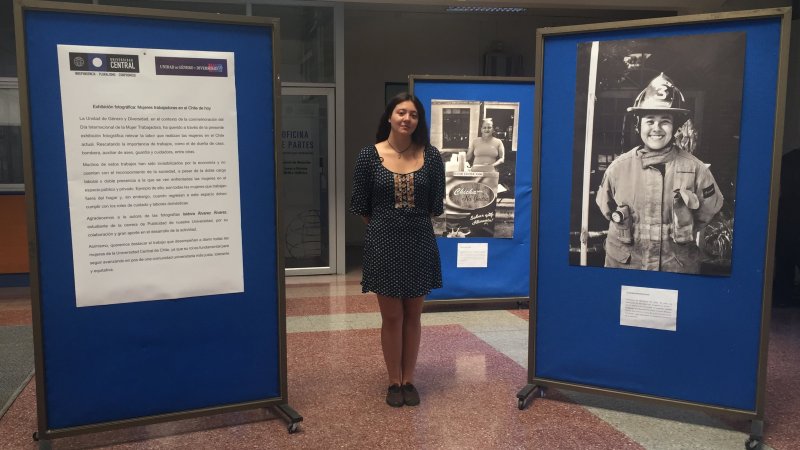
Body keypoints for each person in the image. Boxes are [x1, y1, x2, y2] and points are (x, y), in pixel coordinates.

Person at [349, 93, 445, 407]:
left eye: (413, 115)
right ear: (389, 116)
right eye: (401, 112)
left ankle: (409, 380)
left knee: (413, 315)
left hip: (419, 241)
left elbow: (435, 205)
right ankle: (394, 381)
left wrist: (407, 222)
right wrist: (389, 224)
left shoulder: (431, 156)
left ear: (419, 121)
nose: (407, 119)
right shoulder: (369, 155)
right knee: (391, 316)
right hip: (383, 242)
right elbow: (362, 206)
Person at [595, 73, 724, 274]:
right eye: (650, 121)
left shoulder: (696, 169)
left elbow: (707, 211)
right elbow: (607, 208)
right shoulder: (618, 168)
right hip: (626, 265)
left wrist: (682, 228)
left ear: (675, 127)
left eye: (665, 121)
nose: (657, 128)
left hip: (675, 266)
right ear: (638, 125)